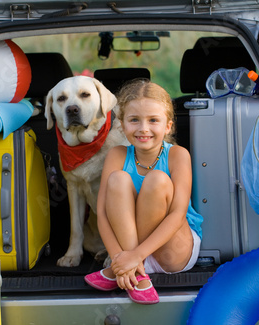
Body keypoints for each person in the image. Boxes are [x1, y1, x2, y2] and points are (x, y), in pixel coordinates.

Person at [84, 79, 203, 305]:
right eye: (134, 120)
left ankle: (126, 269)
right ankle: (136, 274)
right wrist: (120, 257)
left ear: (168, 126)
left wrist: (131, 258)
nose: (143, 128)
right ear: (122, 124)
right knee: (117, 179)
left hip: (172, 249)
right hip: (129, 252)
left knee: (157, 179)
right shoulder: (117, 155)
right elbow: (102, 212)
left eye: (153, 120)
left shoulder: (178, 155)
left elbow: (178, 214)